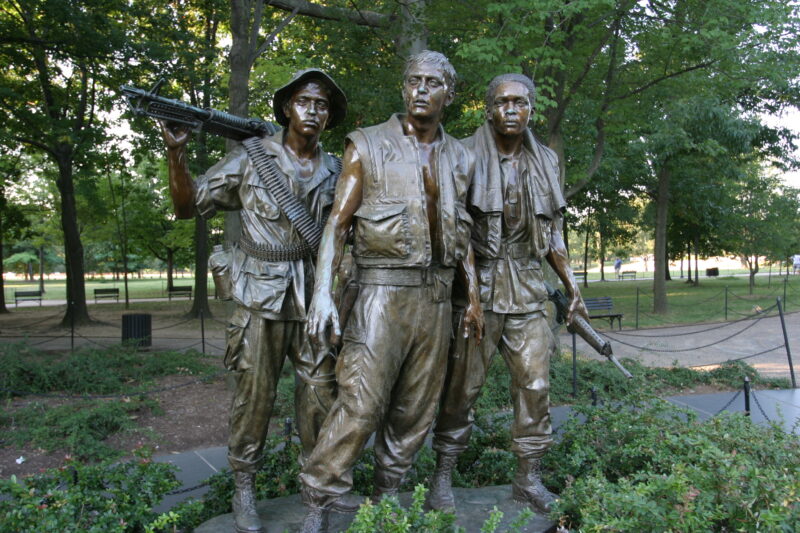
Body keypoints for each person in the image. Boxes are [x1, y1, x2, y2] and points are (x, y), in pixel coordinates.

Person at [298, 51, 484, 532]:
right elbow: (336, 226)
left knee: (415, 411)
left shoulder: (462, 155)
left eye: (432, 83)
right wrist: (322, 293)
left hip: (438, 300)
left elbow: (461, 233)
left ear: (450, 93)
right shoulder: (367, 144)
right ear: (404, 89)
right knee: (360, 403)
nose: (421, 90)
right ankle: (319, 500)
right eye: (413, 81)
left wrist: (475, 298)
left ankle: (385, 498)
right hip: (381, 294)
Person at [159, 69, 347, 533]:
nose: (314, 111)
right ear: (287, 108)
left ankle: (317, 497)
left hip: (316, 296)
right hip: (259, 295)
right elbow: (187, 206)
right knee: (253, 398)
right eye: (305, 101)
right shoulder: (252, 158)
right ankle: (244, 487)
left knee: (320, 398)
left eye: (322, 105)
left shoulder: (338, 170)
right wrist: (176, 153)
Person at [426, 73, 588, 515]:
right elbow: (456, 232)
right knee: (463, 389)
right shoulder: (460, 154)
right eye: (503, 103)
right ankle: (442, 476)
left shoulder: (547, 162)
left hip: (528, 286)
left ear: (532, 108)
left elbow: (552, 234)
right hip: (477, 282)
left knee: (535, 385)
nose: (512, 110)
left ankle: (528, 479)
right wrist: (473, 298)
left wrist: (572, 287)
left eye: (520, 103)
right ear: (488, 109)